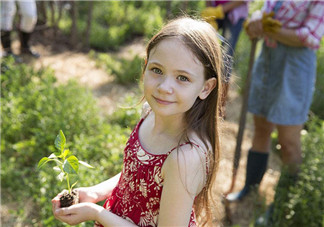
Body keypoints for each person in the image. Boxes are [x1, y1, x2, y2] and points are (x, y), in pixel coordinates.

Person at [51, 16, 225, 227]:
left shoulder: (185, 158)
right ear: (145, 67)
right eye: (157, 70)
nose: (164, 87)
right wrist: (95, 192)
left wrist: (97, 214)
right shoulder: (149, 113)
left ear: (205, 88)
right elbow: (135, 177)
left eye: (182, 78)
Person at [226, 1, 324, 222]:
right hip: (268, 59)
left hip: (296, 66)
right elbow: (264, 13)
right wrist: (254, 23)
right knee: (260, 129)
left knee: (288, 142)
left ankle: (281, 206)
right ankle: (249, 189)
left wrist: (271, 28)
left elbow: (308, 37)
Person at [201, 1, 249, 117]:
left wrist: (221, 10)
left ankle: (220, 106)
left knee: (226, 56)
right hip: (215, 9)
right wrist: (210, 11)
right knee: (204, 46)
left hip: (235, 13)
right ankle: (202, 97)